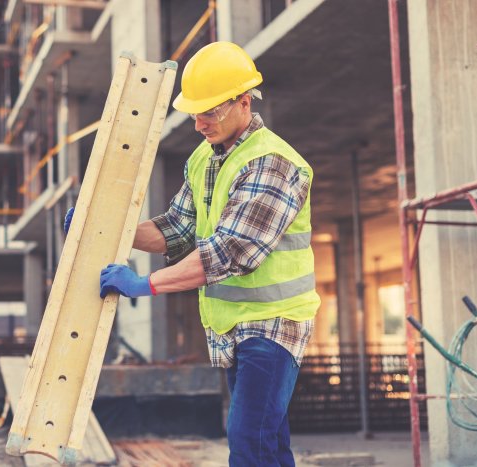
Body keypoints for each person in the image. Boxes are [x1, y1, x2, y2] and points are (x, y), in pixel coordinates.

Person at [66, 41, 320, 466]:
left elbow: (229, 252)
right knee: (267, 441)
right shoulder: (205, 157)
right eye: (194, 112)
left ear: (244, 102)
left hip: (274, 324)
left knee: (248, 442)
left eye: (211, 111)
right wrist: (103, 227)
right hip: (234, 328)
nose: (200, 123)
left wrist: (143, 284)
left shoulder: (273, 164)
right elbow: (176, 229)